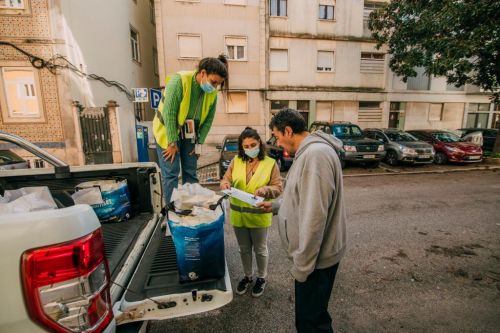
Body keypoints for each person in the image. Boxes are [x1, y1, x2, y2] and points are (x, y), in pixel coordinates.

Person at [257, 109, 346, 332]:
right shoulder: (307, 152)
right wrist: (276, 206)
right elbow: (300, 197)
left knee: (311, 323)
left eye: (277, 136)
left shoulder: (315, 156)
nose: (277, 142)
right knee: (309, 318)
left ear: (288, 131)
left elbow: (315, 217)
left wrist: (303, 267)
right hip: (313, 259)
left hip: (316, 261)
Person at [153, 55, 228, 204]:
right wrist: (172, 143)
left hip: (190, 132)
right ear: (203, 73)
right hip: (168, 129)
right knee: (171, 174)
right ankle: (171, 213)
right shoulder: (179, 80)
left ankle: (191, 207)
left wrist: (199, 144)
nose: (214, 87)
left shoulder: (212, 93)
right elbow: (169, 113)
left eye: (218, 84)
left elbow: (208, 121)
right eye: (213, 82)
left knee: (190, 172)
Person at [220, 127, 282, 297]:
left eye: (252, 145)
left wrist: (265, 190)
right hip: (238, 216)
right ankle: (248, 277)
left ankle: (261, 278)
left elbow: (278, 188)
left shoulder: (270, 163)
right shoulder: (236, 161)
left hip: (259, 216)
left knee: (260, 249)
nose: (249, 149)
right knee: (244, 249)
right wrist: (225, 184)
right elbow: (226, 179)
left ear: (260, 144)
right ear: (242, 147)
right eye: (246, 146)